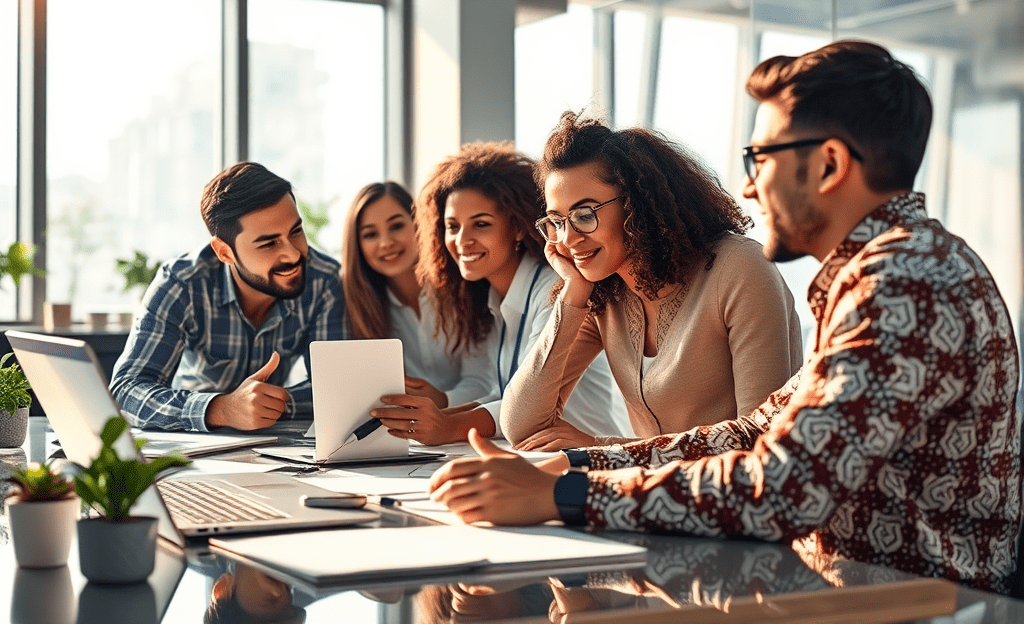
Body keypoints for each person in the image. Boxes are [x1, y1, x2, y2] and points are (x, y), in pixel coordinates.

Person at [429, 40, 1023, 594]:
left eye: (760, 157)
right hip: (840, 594)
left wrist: (564, 494)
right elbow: (751, 433)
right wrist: (577, 464)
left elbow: (781, 489)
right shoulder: (888, 270)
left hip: (914, 606)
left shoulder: (905, 283)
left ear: (829, 164)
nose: (747, 183)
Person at [501, 113, 802, 450]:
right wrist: (573, 293)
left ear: (636, 204)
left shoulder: (741, 269)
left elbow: (761, 443)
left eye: (585, 215)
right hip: (647, 497)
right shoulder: (604, 293)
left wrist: (606, 450)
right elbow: (520, 425)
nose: (568, 238)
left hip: (733, 497)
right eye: (557, 221)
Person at [368, 142, 630, 444]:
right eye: (452, 226)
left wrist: (448, 425)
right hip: (532, 456)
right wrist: (434, 411)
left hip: (587, 458)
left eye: (480, 224)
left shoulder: (555, 289)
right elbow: (500, 392)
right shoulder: (493, 300)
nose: (462, 240)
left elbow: (529, 404)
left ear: (517, 227)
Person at [110, 162, 345, 432]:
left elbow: (334, 388)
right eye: (269, 243)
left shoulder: (322, 280)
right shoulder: (182, 284)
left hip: (274, 442)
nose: (293, 254)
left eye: (296, 232)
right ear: (224, 252)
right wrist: (222, 409)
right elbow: (126, 391)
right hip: (192, 438)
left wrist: (271, 404)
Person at [341, 181, 492, 409]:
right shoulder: (358, 307)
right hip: (400, 432)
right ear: (358, 246)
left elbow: (485, 381)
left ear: (418, 224)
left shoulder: (464, 289)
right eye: (370, 234)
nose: (385, 243)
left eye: (396, 226)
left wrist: (442, 401)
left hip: (466, 425)